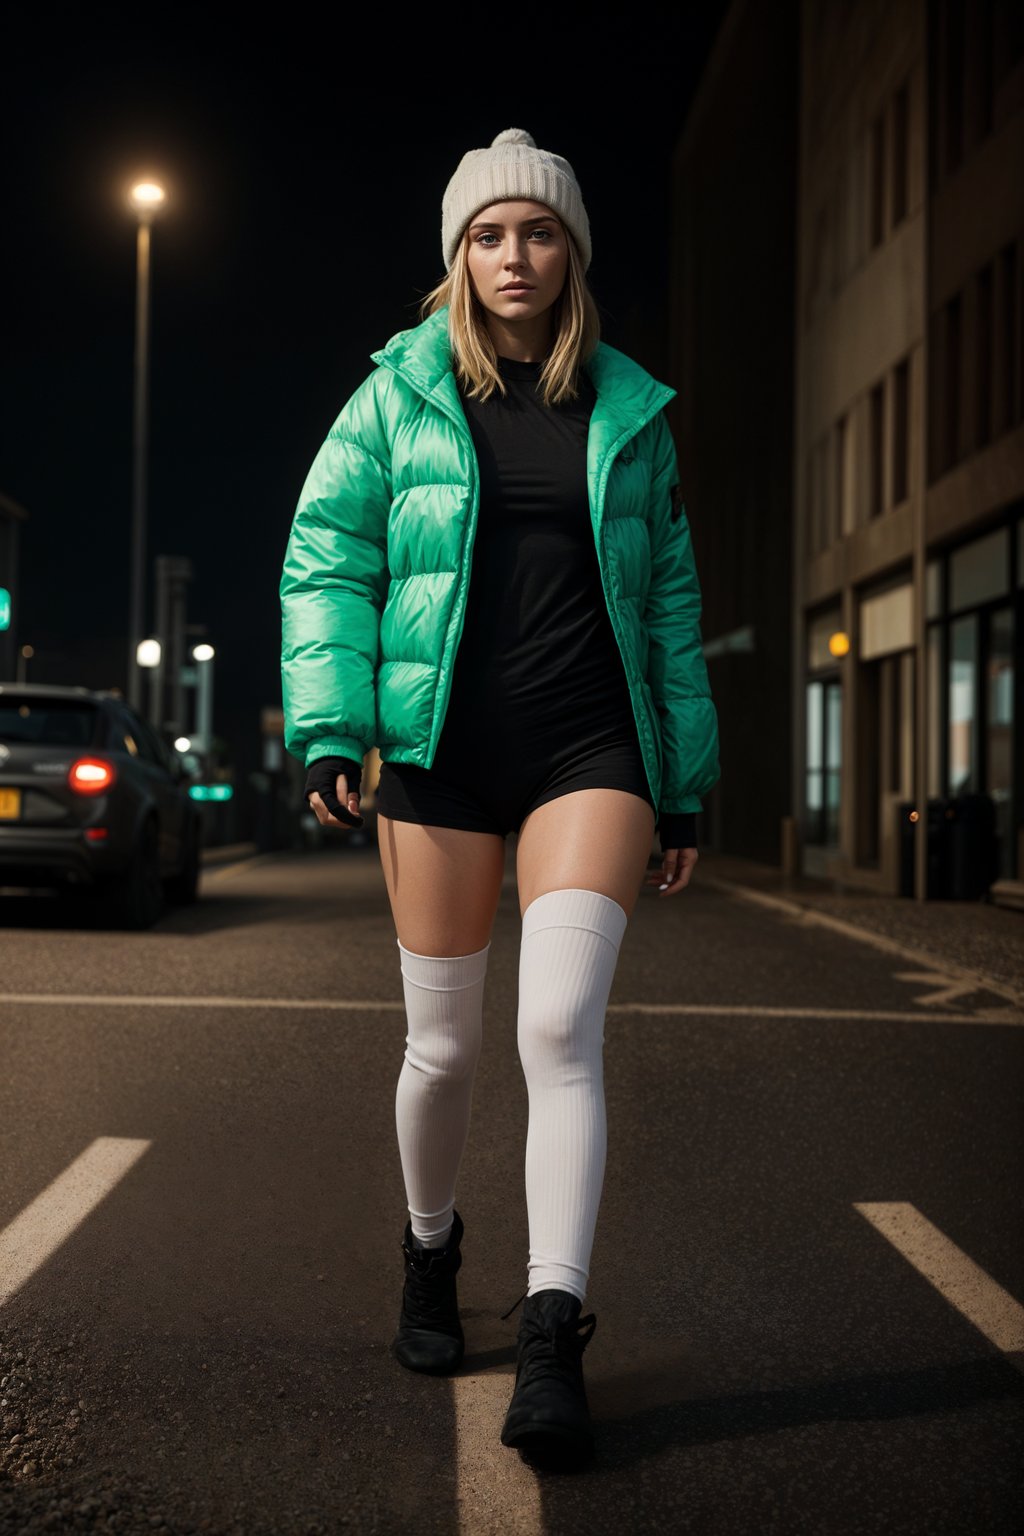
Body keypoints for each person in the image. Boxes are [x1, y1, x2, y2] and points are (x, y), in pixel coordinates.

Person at [280, 127, 720, 1470]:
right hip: (438, 757)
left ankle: (549, 1329)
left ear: (570, 253)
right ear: (456, 259)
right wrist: (330, 726)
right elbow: (328, 557)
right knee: (450, 1050)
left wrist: (683, 782)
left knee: (560, 1032)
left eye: (536, 232)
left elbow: (668, 609)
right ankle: (430, 1250)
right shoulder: (399, 398)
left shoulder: (630, 412)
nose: (512, 256)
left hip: (593, 752)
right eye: (487, 234)